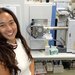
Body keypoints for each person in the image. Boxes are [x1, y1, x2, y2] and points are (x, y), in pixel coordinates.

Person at [0, 7, 34, 75]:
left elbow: (31, 61)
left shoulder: (20, 40)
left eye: (11, 23)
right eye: (2, 25)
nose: (9, 29)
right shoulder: (1, 54)